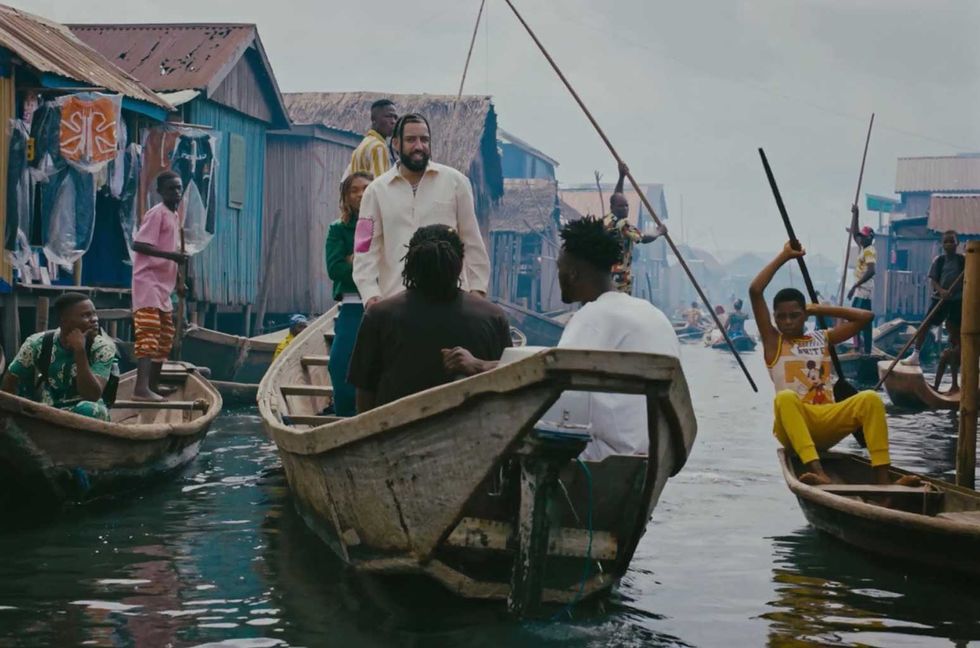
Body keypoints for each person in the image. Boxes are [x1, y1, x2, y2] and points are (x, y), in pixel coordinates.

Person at [749, 241, 918, 487]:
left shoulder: (822, 337)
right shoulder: (773, 342)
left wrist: (820, 309)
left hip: (826, 419)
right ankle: (817, 470)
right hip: (794, 424)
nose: (787, 321)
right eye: (781, 317)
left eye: (794, 315)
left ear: (805, 316)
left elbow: (866, 317)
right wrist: (784, 256)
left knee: (870, 398)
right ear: (774, 318)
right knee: (784, 398)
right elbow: (755, 291)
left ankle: (883, 480)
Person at [530, 216, 679, 461]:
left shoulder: (591, 316)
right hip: (657, 457)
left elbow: (555, 386)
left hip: (606, 459)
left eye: (560, 269)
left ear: (573, 274)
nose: (558, 277)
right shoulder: (652, 313)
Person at [348, 224, 511, 413]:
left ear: (410, 262)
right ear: (459, 263)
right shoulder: (492, 316)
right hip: (476, 437)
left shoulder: (379, 315)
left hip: (395, 436)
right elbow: (511, 385)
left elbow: (364, 394)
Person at [352, 113, 491, 307]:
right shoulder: (375, 191)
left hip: (451, 302)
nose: (419, 146)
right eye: (411, 140)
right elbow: (364, 249)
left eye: (424, 139)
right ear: (396, 144)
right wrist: (370, 295)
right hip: (396, 303)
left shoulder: (456, 182)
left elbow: (472, 240)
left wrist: (477, 290)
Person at [2, 293, 117, 420]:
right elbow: (10, 380)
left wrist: (80, 351)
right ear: (64, 320)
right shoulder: (37, 343)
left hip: (87, 408)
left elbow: (92, 395)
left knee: (89, 410)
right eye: (85, 315)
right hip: (47, 407)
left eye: (94, 314)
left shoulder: (103, 347)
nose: (94, 319)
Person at [131, 170, 188, 401]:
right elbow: (139, 245)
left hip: (164, 287)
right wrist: (173, 256)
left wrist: (180, 282)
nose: (176, 192)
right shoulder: (157, 214)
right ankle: (140, 389)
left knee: (165, 337)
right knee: (149, 334)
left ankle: (152, 385)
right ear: (160, 192)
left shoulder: (174, 216)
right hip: (148, 283)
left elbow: (173, 253)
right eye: (171, 188)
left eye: (178, 187)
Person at [325, 172, 373, 415]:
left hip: (379, 305)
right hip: (352, 305)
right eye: (354, 189)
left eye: (366, 188)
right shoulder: (338, 229)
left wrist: (354, 259)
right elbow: (335, 269)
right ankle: (345, 419)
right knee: (339, 365)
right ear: (346, 196)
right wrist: (363, 262)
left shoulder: (383, 225)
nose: (361, 193)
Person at [902, 231, 964, 390]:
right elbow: (933, 280)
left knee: (954, 333)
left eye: (952, 241)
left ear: (957, 244)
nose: (949, 244)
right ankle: (915, 355)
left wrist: (954, 290)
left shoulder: (962, 261)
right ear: (942, 244)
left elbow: (966, 279)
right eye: (946, 242)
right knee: (925, 325)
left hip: (957, 301)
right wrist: (942, 291)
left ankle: (955, 382)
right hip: (940, 299)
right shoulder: (939, 261)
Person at [603, 162, 667, 293]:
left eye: (627, 206)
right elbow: (643, 238)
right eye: (622, 207)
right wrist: (659, 232)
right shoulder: (623, 225)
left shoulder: (607, 219)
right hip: (619, 275)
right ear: (613, 208)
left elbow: (617, 197)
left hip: (604, 272)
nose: (625, 209)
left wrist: (621, 177)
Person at [845, 225, 876, 355]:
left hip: (864, 290)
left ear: (870, 238)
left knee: (857, 320)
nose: (861, 239)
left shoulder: (869, 250)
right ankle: (863, 348)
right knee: (861, 320)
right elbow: (855, 235)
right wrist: (856, 213)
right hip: (861, 290)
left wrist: (854, 286)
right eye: (861, 237)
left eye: (864, 237)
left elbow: (871, 271)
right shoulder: (863, 248)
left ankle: (862, 349)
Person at [349, 99, 397, 178]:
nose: (393, 121)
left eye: (395, 117)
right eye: (388, 116)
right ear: (373, 119)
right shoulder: (378, 147)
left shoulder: (361, 146)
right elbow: (380, 186)